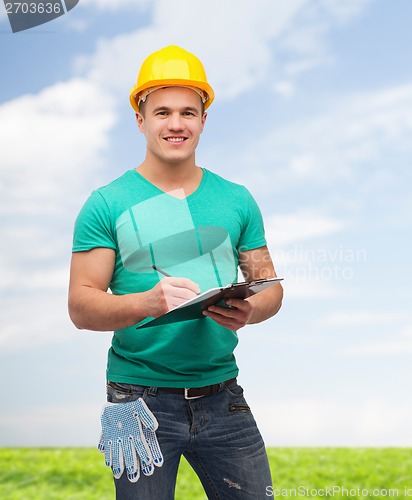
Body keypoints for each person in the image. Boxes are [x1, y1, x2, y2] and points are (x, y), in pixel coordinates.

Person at [68, 45, 283, 499]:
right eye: (162, 111)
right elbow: (81, 306)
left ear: (204, 119)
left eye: (189, 111)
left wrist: (250, 309)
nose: (176, 123)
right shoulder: (106, 203)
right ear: (140, 118)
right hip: (137, 400)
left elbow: (270, 287)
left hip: (223, 395)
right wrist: (147, 302)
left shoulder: (237, 199)